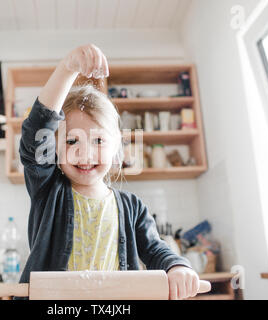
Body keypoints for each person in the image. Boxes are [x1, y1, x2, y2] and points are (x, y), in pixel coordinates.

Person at [18, 44, 200, 300]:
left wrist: (177, 266)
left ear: (117, 149)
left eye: (98, 141)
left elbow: (156, 249)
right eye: (71, 141)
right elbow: (36, 131)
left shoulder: (132, 207)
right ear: (54, 149)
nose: (85, 153)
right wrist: (67, 69)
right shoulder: (48, 190)